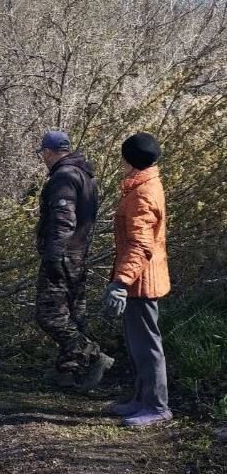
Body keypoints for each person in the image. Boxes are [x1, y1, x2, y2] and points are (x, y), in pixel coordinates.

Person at [102, 132, 172, 427]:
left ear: (129, 160)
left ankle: (157, 407)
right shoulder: (145, 184)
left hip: (141, 282)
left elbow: (140, 246)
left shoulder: (142, 193)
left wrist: (120, 282)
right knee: (137, 344)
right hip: (139, 280)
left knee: (147, 346)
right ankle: (141, 400)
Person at [35, 130, 114, 388]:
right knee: (72, 313)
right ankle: (69, 370)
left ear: (48, 152)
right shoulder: (85, 175)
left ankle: (94, 355)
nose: (43, 158)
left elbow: (63, 221)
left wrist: (54, 256)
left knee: (50, 315)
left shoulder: (64, 176)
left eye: (43, 153)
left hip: (63, 256)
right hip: (78, 255)